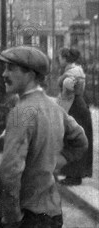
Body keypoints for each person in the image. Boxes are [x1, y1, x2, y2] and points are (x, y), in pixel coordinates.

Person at [0, 46, 88, 228]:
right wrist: (56, 161)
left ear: (30, 74)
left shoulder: (21, 112)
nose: (4, 74)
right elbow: (80, 141)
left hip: (25, 215)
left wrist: (11, 218)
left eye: (11, 69)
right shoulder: (54, 108)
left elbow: (9, 172)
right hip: (52, 213)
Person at [57, 48, 93, 186]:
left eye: (60, 57)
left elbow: (69, 87)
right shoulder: (76, 70)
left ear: (65, 58)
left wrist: (65, 89)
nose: (59, 60)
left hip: (75, 107)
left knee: (74, 140)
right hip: (78, 106)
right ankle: (73, 174)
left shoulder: (72, 72)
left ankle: (74, 175)